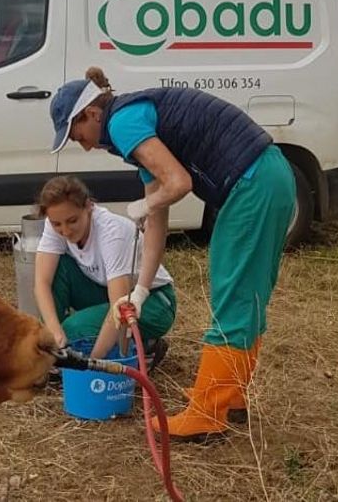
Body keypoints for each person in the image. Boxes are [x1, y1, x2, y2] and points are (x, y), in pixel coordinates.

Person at [47, 67, 297, 441]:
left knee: (233, 295)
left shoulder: (123, 122)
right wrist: (141, 292)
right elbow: (157, 225)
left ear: (92, 114)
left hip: (253, 184)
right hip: (266, 176)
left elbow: (178, 184)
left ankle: (209, 414)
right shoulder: (135, 127)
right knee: (246, 294)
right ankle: (228, 396)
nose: (80, 143)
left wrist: (142, 205)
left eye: (76, 133)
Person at [32, 176, 176, 367]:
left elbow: (119, 310)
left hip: (153, 302)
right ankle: (57, 354)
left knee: (74, 329)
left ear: (89, 206)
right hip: (104, 290)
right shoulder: (56, 224)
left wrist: (90, 364)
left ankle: (146, 347)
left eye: (72, 221)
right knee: (58, 268)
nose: (65, 231)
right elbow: (42, 283)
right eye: (57, 224)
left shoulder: (111, 233)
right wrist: (54, 332)